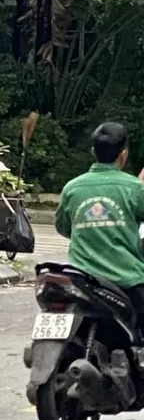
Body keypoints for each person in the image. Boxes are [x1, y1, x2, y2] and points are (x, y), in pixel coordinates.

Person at [56, 122, 144, 314]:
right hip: (126, 279)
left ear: (93, 151)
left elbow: (63, 227)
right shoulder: (134, 188)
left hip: (80, 277)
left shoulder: (72, 187)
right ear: (124, 154)